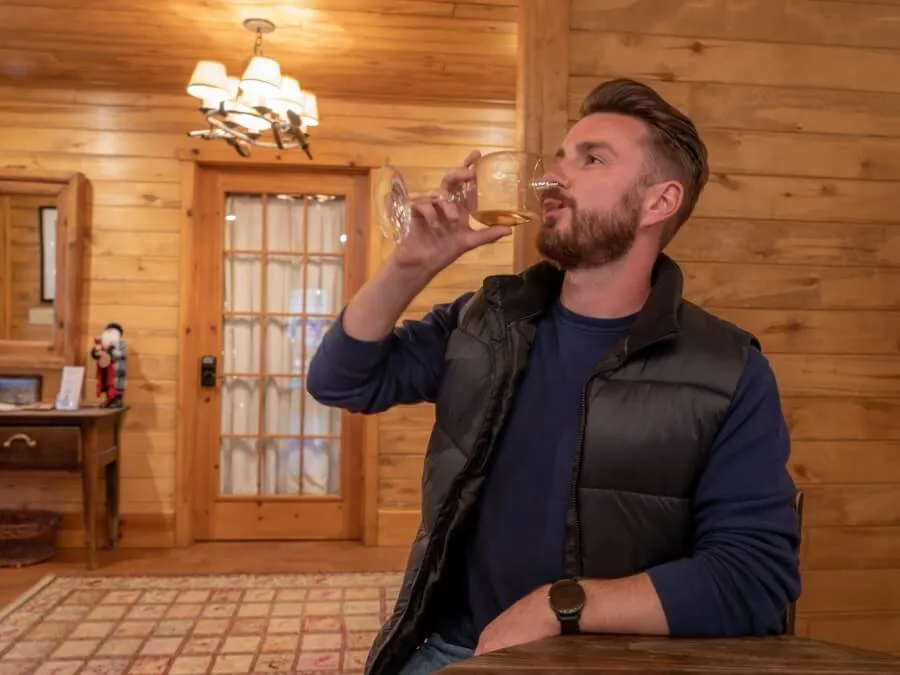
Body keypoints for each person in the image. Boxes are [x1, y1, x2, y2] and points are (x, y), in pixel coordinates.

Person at [306, 78, 801, 675]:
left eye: (591, 159)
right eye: (561, 157)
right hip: (450, 651)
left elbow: (753, 582)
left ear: (658, 202)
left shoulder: (728, 368)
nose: (556, 177)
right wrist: (410, 264)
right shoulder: (486, 319)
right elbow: (341, 380)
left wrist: (561, 605)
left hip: (608, 665)